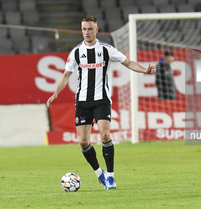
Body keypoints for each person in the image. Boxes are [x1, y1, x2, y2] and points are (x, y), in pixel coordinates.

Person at [46, 16, 156, 190]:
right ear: (81, 30)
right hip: (82, 101)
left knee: (105, 134)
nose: (87, 32)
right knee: (83, 141)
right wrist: (55, 94)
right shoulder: (76, 52)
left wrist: (144, 70)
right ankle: (100, 174)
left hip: (102, 100)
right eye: (84, 29)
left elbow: (127, 62)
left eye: (90, 29)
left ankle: (111, 176)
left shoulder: (106, 49)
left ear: (96, 30)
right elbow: (66, 75)